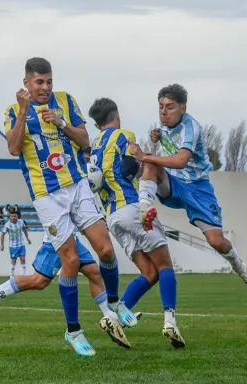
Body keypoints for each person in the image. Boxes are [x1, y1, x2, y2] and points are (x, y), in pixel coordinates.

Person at [3, 57, 137, 357]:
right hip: (46, 195)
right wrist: (25, 110)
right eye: (39, 82)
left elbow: (84, 139)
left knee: (105, 250)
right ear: (27, 83)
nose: (46, 87)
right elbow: (13, 148)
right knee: (71, 262)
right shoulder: (14, 111)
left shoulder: (65, 101)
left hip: (77, 185)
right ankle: (73, 330)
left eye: (49, 81)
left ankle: (114, 301)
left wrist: (61, 123)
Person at [128, 84, 247, 289]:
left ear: (183, 108)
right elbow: (168, 144)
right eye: (161, 106)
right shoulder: (165, 126)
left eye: (170, 107)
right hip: (174, 184)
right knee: (151, 166)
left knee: (217, 242)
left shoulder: (192, 128)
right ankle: (143, 210)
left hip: (198, 189)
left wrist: (145, 155)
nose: (164, 112)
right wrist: (157, 137)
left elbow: (181, 159)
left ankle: (238, 265)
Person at [88, 98, 184, 348]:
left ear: (97, 123)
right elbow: (133, 166)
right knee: (164, 266)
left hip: (113, 218)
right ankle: (170, 322)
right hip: (132, 208)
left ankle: (115, 319)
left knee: (150, 273)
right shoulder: (123, 135)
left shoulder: (95, 144)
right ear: (117, 115)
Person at [0, 231, 142, 351]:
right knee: (39, 281)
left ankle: (111, 318)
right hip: (56, 239)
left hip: (72, 238)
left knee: (94, 272)